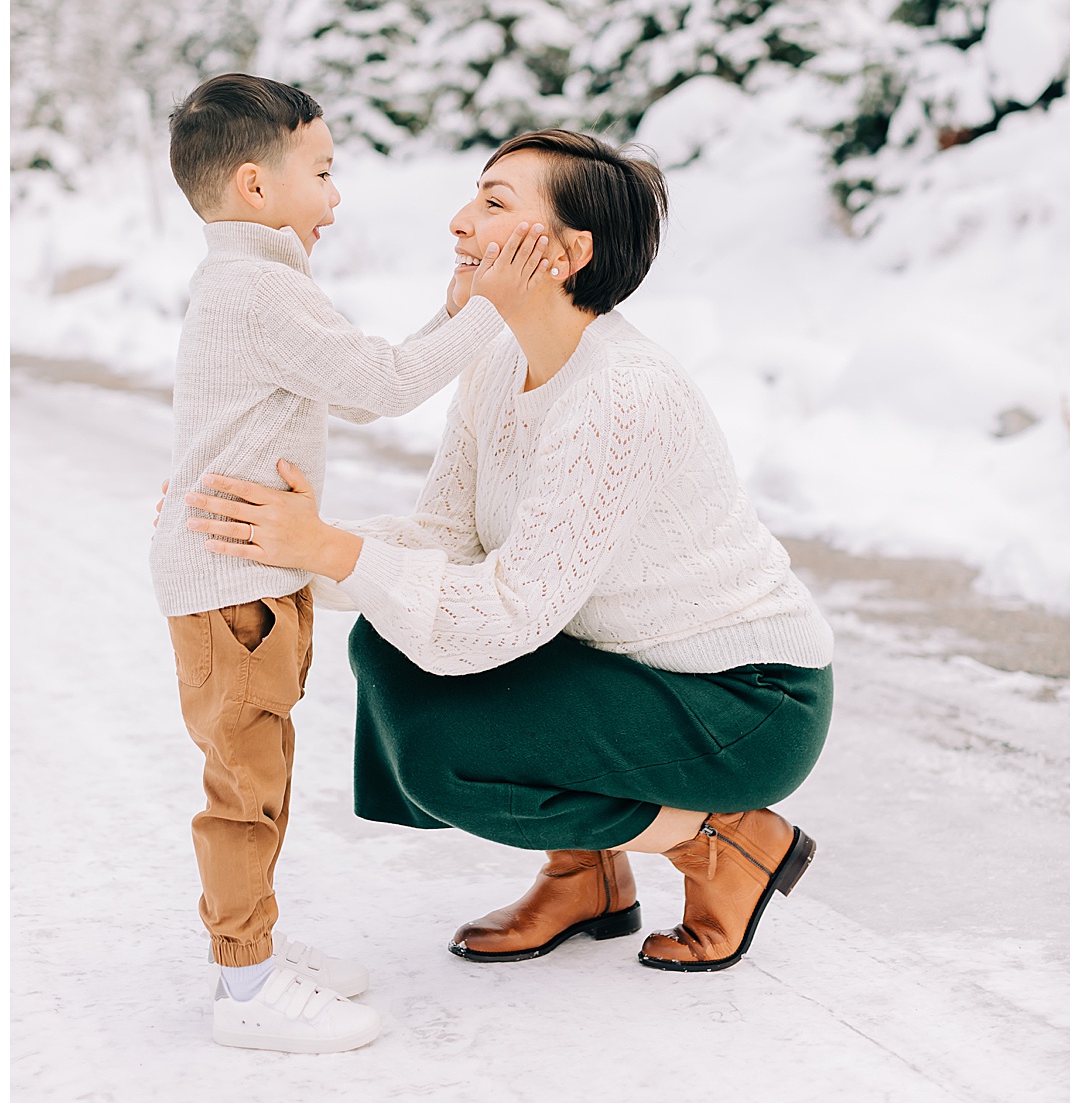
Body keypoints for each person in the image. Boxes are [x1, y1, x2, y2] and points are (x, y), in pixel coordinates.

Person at [185, 129, 834, 978]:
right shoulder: (499, 365)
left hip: (743, 704)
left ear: (566, 253)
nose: (460, 222)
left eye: (493, 204)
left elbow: (504, 615)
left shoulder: (619, 395)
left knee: (449, 744)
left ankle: (726, 838)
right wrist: (279, 542)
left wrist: (332, 550)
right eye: (474, 195)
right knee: (392, 642)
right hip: (623, 667)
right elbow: (446, 543)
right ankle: (587, 874)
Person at [152, 74, 552, 1054]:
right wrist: (490, 308)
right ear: (255, 185)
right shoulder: (257, 288)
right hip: (233, 586)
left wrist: (451, 310)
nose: (336, 197)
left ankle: (253, 949)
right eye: (323, 173)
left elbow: (364, 375)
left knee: (264, 773)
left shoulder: (254, 282)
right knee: (245, 789)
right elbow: (382, 386)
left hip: (248, 578)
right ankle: (244, 987)